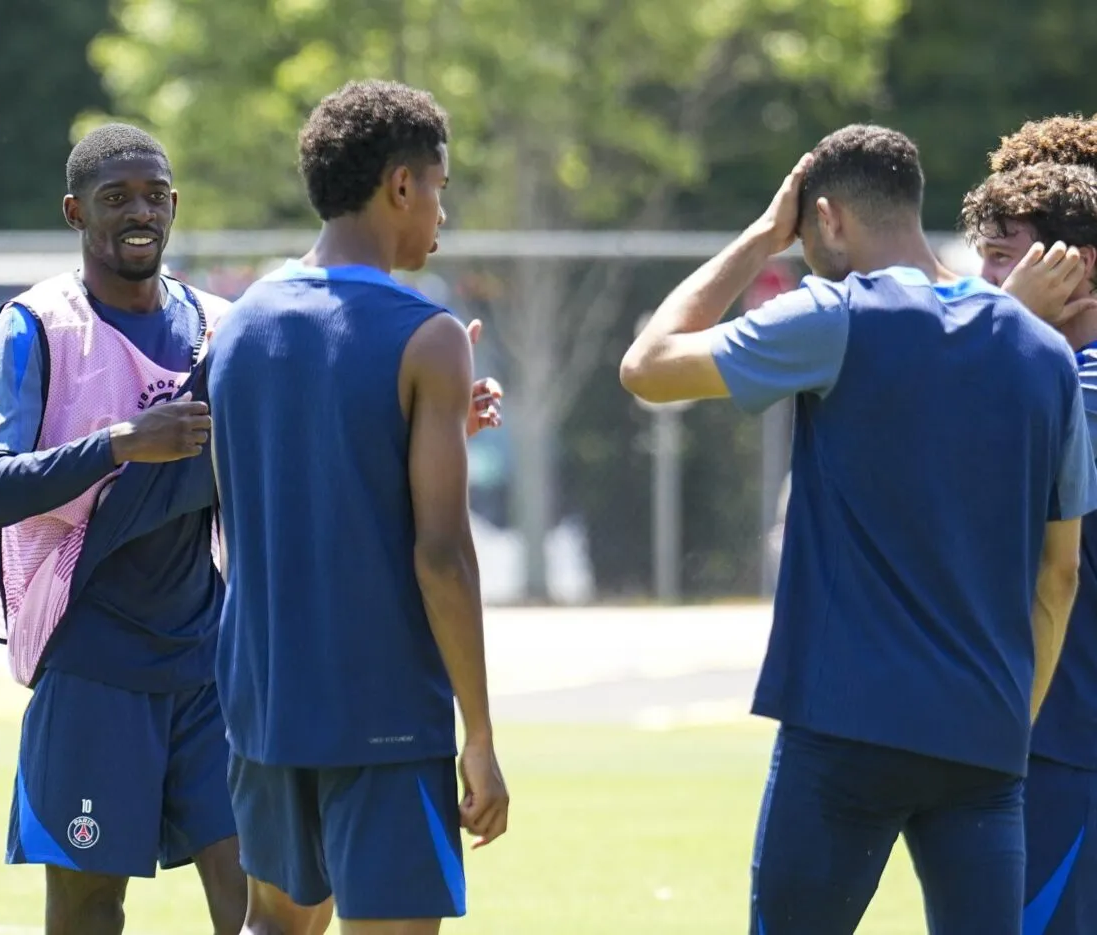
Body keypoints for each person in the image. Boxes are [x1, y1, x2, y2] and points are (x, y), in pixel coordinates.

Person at [618, 124, 1097, 935]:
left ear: (829, 219)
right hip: (986, 737)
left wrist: (760, 238)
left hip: (845, 727)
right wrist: (1015, 715)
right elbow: (1060, 575)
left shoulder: (836, 315)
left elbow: (649, 365)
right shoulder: (1040, 352)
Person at [206, 79, 510, 935]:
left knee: (275, 924)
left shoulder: (239, 322)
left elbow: (300, 467)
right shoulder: (429, 333)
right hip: (382, 707)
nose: (442, 215)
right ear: (402, 185)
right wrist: (479, 734)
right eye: (441, 189)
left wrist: (440, 415)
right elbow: (442, 553)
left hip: (264, 695)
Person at [0, 124, 244, 935]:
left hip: (210, 665)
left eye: (154, 194)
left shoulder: (223, 328)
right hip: (90, 665)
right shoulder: (34, 326)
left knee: (261, 899)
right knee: (87, 912)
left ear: (175, 205)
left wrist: (429, 422)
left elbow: (295, 451)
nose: (139, 211)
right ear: (76, 212)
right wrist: (120, 443)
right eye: (116, 198)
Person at [962, 132, 1097, 935]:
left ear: (1076, 263)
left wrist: (1000, 326)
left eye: (1003, 257)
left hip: (1067, 743)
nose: (987, 282)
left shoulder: (1079, 387)